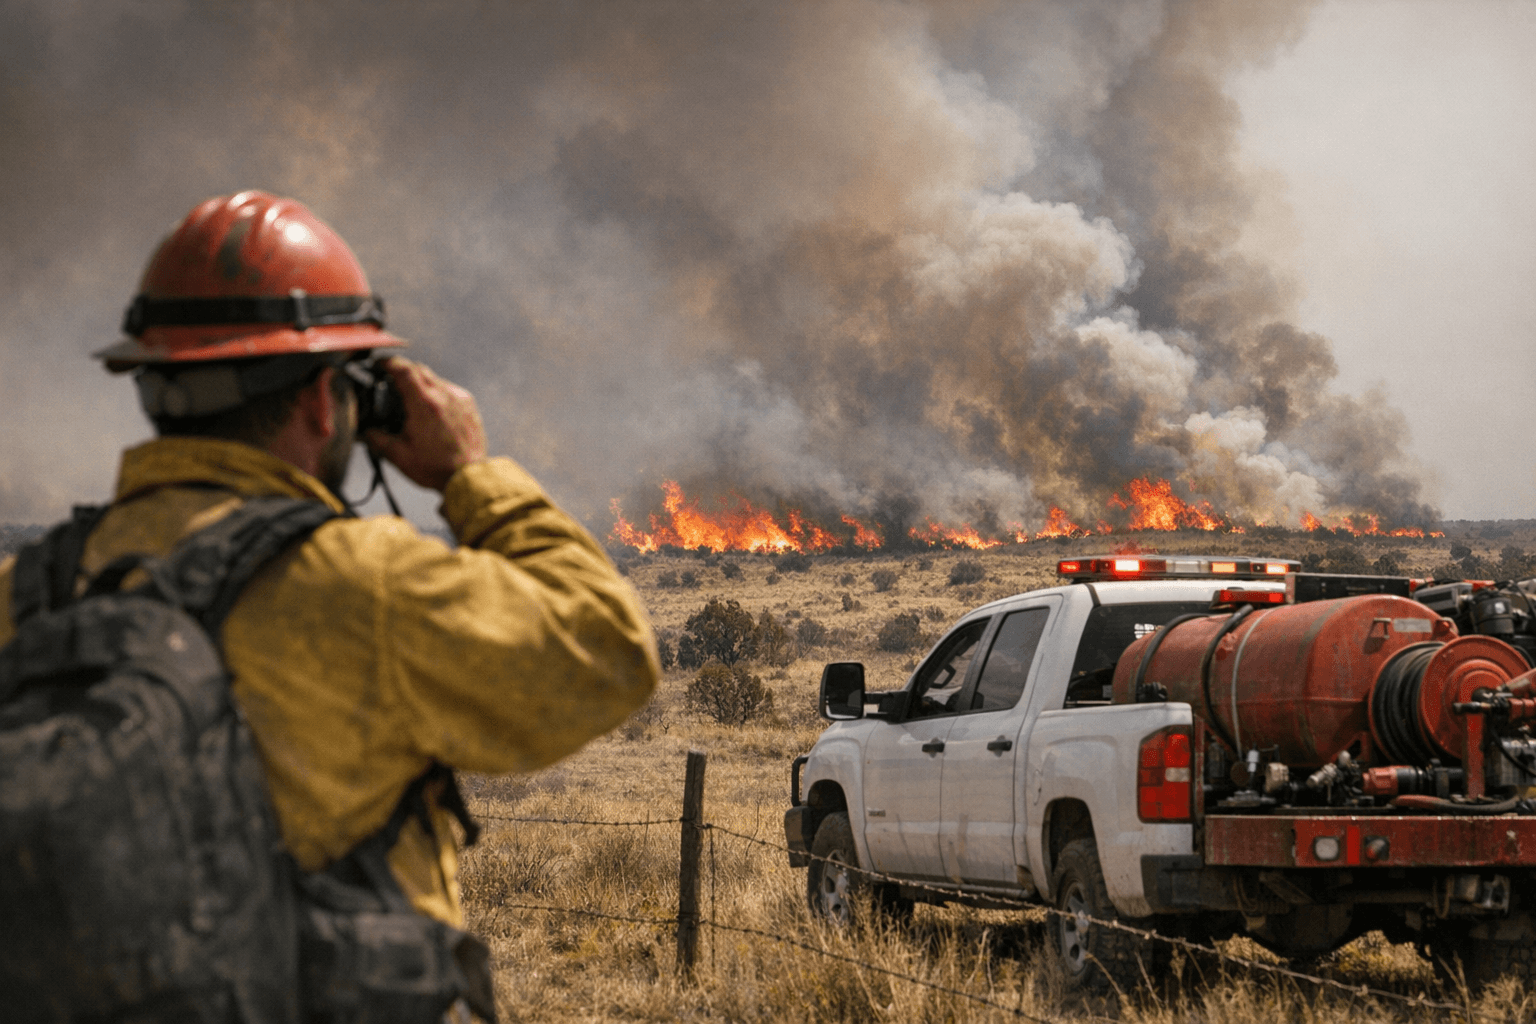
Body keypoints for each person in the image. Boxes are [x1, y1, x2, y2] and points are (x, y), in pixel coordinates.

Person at [0, 190, 659, 984]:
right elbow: (609, 651)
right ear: (323, 399)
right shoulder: (362, 584)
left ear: (154, 386)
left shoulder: (26, 593)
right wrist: (467, 474)